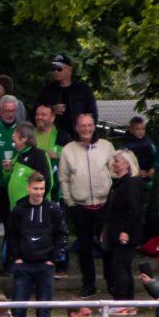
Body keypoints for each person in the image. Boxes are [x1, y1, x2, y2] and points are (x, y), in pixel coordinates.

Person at [8, 172, 68, 317]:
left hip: (45, 265)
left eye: (42, 189)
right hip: (23, 265)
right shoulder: (19, 210)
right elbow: (11, 235)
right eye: (35, 188)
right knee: (18, 310)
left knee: (44, 309)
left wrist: (54, 258)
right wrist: (16, 256)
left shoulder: (52, 209)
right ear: (28, 188)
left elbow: (61, 234)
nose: (39, 193)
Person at [57, 112, 116, 297]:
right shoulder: (68, 150)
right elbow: (64, 179)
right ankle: (88, 284)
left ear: (94, 126)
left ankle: (111, 282)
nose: (86, 129)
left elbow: (115, 173)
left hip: (104, 205)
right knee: (84, 249)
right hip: (80, 207)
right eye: (83, 125)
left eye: (90, 125)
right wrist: (71, 203)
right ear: (76, 128)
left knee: (107, 246)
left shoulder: (107, 146)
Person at [102, 150, 147, 305]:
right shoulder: (120, 184)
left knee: (120, 266)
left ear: (127, 164)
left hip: (126, 233)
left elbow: (134, 210)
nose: (114, 164)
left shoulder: (131, 183)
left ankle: (122, 303)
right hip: (116, 232)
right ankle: (127, 303)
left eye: (117, 161)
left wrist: (125, 230)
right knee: (122, 267)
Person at [35, 53, 97, 144]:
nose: (56, 72)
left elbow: (93, 114)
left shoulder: (83, 89)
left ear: (69, 69)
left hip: (78, 136)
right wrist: (52, 109)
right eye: (53, 69)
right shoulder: (47, 91)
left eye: (59, 69)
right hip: (55, 138)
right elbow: (36, 112)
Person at [122, 115, 158, 188]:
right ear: (131, 130)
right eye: (137, 129)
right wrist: (136, 172)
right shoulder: (126, 145)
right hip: (131, 182)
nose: (141, 131)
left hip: (147, 181)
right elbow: (123, 164)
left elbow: (157, 157)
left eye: (143, 129)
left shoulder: (150, 143)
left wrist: (153, 168)